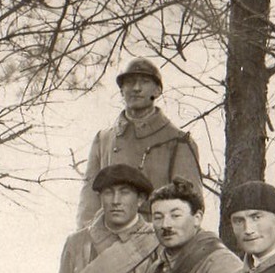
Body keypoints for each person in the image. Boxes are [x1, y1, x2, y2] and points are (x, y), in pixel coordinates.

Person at [75, 59, 200, 227]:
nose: (136, 88)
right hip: (109, 238)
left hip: (155, 239)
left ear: (157, 90)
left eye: (145, 81)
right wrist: (87, 238)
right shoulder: (103, 139)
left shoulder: (177, 141)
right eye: (130, 82)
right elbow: (89, 200)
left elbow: (188, 205)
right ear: (121, 90)